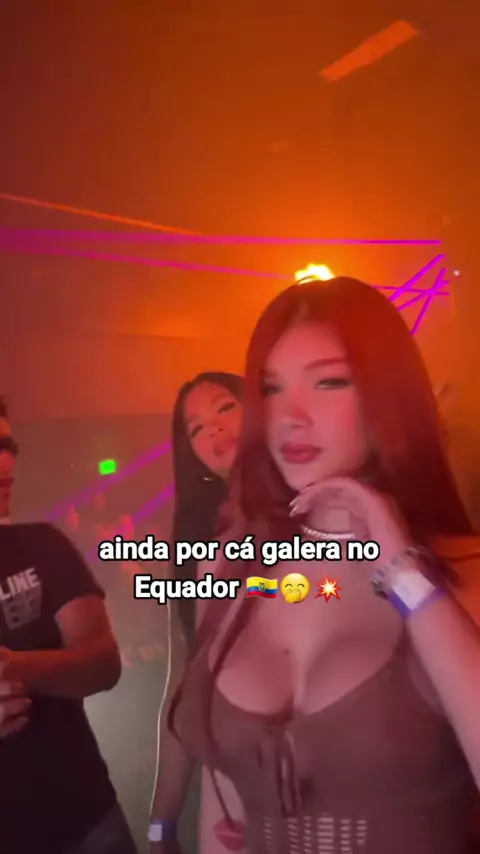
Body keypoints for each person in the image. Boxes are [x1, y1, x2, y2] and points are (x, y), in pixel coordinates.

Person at [166, 278, 480, 854]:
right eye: (271, 389)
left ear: (388, 393)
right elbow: (224, 799)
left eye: (329, 381)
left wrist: (404, 574)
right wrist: (162, 827)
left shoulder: (466, 571)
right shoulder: (234, 571)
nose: (290, 416)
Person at [0, 397, 138, 854]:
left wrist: (16, 666)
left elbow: (103, 664)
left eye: (8, 446)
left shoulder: (42, 545)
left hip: (87, 819)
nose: (6, 462)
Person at [149, 372, 243, 851]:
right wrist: (161, 824)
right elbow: (180, 687)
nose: (214, 430)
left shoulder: (325, 518)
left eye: (225, 408)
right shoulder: (196, 550)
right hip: (231, 790)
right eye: (196, 428)